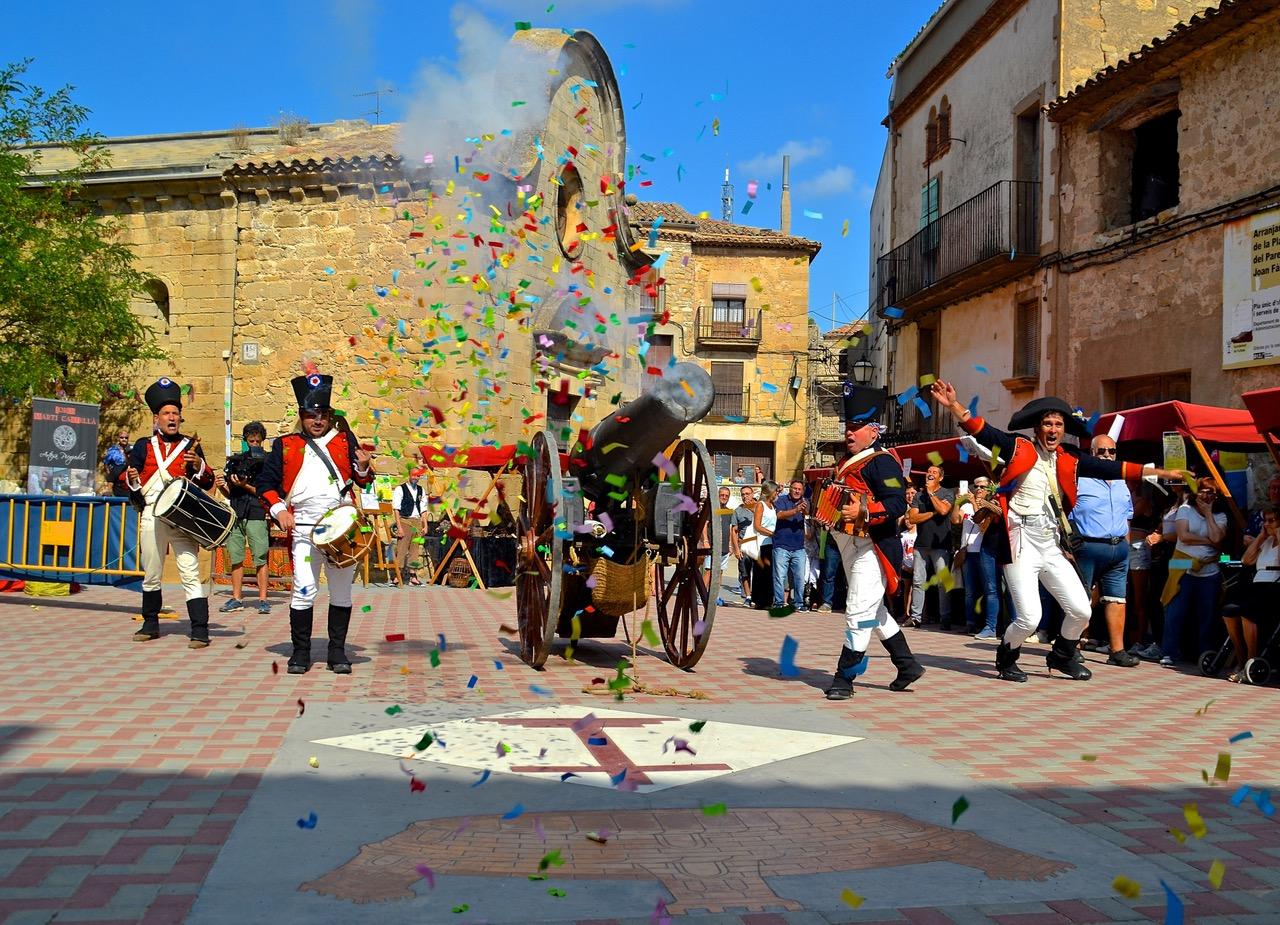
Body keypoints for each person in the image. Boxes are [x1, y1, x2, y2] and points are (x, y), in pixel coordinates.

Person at [930, 379, 1185, 682]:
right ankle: (1007, 656)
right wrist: (954, 405)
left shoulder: (1069, 458)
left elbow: (1111, 468)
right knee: (1029, 618)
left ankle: (1062, 656)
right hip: (1021, 542)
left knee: (1081, 610)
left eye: (1058, 424)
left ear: (1064, 430)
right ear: (1037, 429)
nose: (1053, 430)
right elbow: (983, 431)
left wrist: (1158, 471)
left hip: (1051, 543)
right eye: (1047, 424)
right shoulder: (1018, 446)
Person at [257, 371, 374, 675]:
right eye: (311, 414)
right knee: (305, 589)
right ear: (302, 415)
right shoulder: (285, 445)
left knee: (341, 592)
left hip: (341, 528)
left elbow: (363, 480)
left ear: (329, 415)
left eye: (322, 414)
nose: (317, 420)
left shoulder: (344, 440)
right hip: (304, 529)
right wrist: (280, 511)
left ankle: (337, 652)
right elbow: (265, 485)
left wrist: (363, 468)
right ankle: (300, 653)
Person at [824, 387, 924, 700]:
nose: (849, 432)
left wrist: (864, 511)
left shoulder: (884, 462)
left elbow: (897, 504)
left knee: (857, 609)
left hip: (874, 546)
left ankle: (844, 678)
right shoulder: (846, 461)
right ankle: (907, 665)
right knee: (873, 610)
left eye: (856, 428)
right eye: (848, 426)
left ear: (872, 431)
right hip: (848, 545)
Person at [114, 378, 215, 648]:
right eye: (166, 413)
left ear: (180, 418)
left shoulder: (190, 445)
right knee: (152, 571)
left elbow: (207, 481)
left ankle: (200, 629)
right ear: (156, 418)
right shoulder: (143, 445)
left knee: (190, 572)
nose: (172, 418)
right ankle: (150, 624)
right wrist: (133, 480)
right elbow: (128, 480)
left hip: (182, 517)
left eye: (175, 413)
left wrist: (199, 465)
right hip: (152, 514)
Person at [1069, 435, 1139, 667]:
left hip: (1118, 548)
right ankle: (1072, 647)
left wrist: (1126, 547)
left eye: (1112, 451)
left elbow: (1127, 516)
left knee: (1117, 599)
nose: (1107, 455)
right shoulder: (1079, 480)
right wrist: (1068, 548)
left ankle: (1117, 651)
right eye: (1102, 451)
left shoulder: (1121, 482)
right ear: (1092, 454)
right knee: (1080, 599)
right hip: (1086, 547)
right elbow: (1065, 516)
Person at [1158, 476, 1229, 668]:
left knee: (1207, 614)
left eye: (1211, 493)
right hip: (1182, 562)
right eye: (1203, 492)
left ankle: (1205, 654)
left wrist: (1208, 514)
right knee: (1175, 609)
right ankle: (1169, 652)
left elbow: (1217, 536)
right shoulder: (1185, 509)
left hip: (1209, 568)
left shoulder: (1221, 516)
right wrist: (1209, 541)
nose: (1206, 496)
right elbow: (1183, 536)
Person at [218, 422, 271, 615]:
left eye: (257, 441)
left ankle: (263, 600)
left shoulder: (268, 461)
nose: (254, 444)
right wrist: (222, 485)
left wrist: (246, 485)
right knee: (236, 557)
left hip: (256, 512)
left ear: (262, 440)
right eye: (251, 441)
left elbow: (266, 493)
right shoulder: (237, 461)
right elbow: (230, 493)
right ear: (245, 441)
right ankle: (237, 598)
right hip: (237, 512)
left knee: (260, 557)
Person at [1225, 506, 1279, 681]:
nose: (1267, 524)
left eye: (1271, 521)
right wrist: (1261, 537)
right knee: (1229, 610)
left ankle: (1251, 659)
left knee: (1248, 613)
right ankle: (1241, 658)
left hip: (1274, 588)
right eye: (1265, 521)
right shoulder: (1266, 541)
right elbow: (1246, 560)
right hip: (1257, 586)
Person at [905, 464, 954, 628]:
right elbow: (913, 518)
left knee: (943, 582)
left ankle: (945, 618)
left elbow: (944, 510)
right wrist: (932, 513)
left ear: (941, 477)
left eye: (934, 472)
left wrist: (932, 493)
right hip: (921, 544)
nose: (930, 474)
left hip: (941, 544)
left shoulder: (947, 493)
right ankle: (916, 617)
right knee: (918, 581)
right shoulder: (919, 495)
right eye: (928, 472)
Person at [952, 476, 1002, 639]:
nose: (978, 489)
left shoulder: (990, 506)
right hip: (968, 552)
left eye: (982, 487)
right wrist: (957, 503)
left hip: (984, 551)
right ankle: (970, 623)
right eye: (976, 486)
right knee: (970, 592)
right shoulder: (966, 505)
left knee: (989, 590)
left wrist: (975, 502)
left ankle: (989, 625)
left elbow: (981, 524)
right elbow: (955, 520)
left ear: (989, 489)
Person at [772, 479, 809, 611]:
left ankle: (799, 603)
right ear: (790, 489)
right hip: (781, 545)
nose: (797, 491)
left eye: (799, 489)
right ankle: (779, 603)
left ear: (802, 491)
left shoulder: (805, 502)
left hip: (799, 546)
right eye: (795, 488)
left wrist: (805, 511)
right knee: (780, 576)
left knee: (800, 577)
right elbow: (779, 515)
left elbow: (809, 517)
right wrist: (796, 510)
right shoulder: (781, 500)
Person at [392, 467, 431, 587]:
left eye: (418, 476)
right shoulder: (400, 489)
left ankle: (413, 577)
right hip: (405, 520)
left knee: (415, 551)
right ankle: (397, 576)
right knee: (401, 549)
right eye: (413, 475)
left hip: (417, 522)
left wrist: (425, 525)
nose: (415, 477)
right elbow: (396, 509)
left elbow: (423, 509)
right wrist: (399, 527)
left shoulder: (421, 490)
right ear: (409, 475)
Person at [750, 481, 779, 609]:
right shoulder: (760, 505)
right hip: (762, 542)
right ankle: (759, 600)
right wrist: (772, 533)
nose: (777, 493)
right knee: (761, 571)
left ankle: (768, 600)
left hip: (771, 543)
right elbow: (757, 525)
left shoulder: (773, 506)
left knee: (769, 572)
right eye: (775, 491)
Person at [733, 487, 756, 604]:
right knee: (744, 572)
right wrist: (736, 549)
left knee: (759, 572)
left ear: (752, 494)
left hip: (758, 544)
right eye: (743, 494)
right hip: (744, 544)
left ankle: (757, 595)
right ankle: (748, 596)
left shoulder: (759, 507)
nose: (745, 496)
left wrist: (751, 508)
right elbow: (734, 531)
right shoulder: (738, 511)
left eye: (747, 494)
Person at [103, 429, 132, 497]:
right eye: (122, 437)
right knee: (117, 467)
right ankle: (109, 489)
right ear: (118, 438)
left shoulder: (132, 448)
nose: (124, 439)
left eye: (126, 438)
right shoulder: (113, 449)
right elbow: (106, 463)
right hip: (115, 474)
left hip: (128, 472)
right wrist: (109, 472)